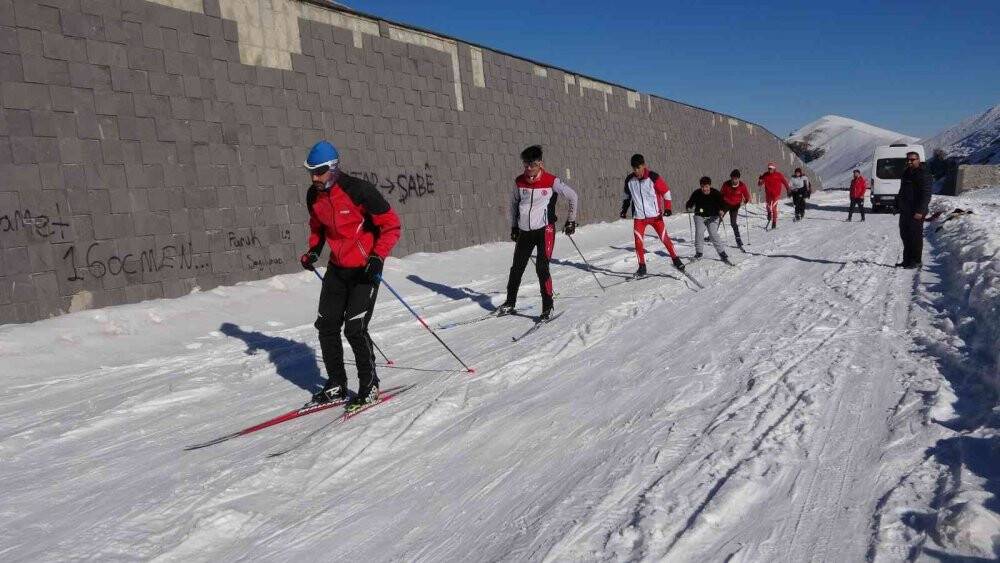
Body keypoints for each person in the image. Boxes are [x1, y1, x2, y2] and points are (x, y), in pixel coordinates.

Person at [299, 140, 402, 408]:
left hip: (364, 270)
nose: (314, 177)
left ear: (333, 168)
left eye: (319, 171)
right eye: (310, 171)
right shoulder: (314, 195)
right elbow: (317, 227)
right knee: (326, 326)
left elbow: (391, 225)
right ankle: (336, 384)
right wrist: (313, 251)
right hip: (337, 269)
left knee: (355, 329)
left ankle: (370, 386)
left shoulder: (359, 191)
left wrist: (378, 256)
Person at [497, 145, 578, 320]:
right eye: (525, 165)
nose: (528, 169)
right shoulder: (519, 181)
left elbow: (573, 196)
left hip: (545, 230)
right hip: (525, 231)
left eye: (531, 165)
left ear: (540, 163)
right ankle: (510, 302)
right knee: (516, 268)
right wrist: (514, 226)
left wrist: (571, 220)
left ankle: (547, 307)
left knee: (542, 267)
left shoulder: (551, 181)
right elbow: (513, 204)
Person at [620, 154, 686, 276]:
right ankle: (642, 267)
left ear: (643, 165)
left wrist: (668, 208)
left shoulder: (653, 177)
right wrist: (624, 209)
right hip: (639, 217)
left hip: (655, 216)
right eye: (634, 168)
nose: (636, 171)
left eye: (638, 168)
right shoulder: (629, 180)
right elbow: (626, 196)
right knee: (638, 241)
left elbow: (666, 192)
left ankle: (676, 260)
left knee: (664, 238)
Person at [895, 151, 932, 269]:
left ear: (918, 159)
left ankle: (916, 261)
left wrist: (920, 211)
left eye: (912, 159)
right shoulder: (906, 172)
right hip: (905, 210)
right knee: (905, 235)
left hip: (916, 211)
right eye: (908, 160)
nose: (910, 162)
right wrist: (897, 204)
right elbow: (902, 190)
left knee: (915, 236)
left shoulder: (924, 173)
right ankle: (906, 260)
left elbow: (926, 194)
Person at [685, 176, 731, 265]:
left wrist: (722, 210)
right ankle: (699, 253)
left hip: (713, 216)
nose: (704, 189)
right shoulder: (697, 193)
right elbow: (690, 202)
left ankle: (722, 253)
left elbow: (724, 204)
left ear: (709, 186)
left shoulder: (715, 193)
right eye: (702, 187)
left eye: (706, 187)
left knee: (713, 233)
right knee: (699, 232)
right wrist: (688, 206)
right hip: (700, 216)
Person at [720, 169, 751, 250]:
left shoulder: (742, 185)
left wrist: (746, 200)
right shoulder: (726, 184)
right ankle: (712, 235)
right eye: (732, 178)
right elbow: (721, 194)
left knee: (733, 223)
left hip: (735, 205)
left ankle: (738, 239)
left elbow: (747, 195)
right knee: (719, 218)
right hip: (726, 203)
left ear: (738, 179)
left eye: (736, 179)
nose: (734, 180)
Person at [757, 162, 789, 229]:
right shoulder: (765, 175)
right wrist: (760, 180)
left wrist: (788, 189)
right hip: (768, 194)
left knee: (774, 208)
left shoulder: (778, 175)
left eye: (771, 168)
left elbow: (784, 182)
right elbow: (760, 184)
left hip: (776, 194)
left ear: (774, 169)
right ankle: (769, 213)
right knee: (768, 206)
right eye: (769, 168)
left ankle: (774, 223)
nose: (769, 170)